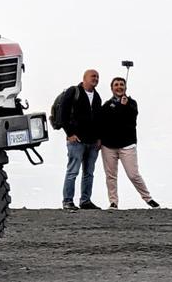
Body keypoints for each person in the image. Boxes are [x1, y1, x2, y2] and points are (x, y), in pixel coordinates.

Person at [98, 77, 160, 209]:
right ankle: (113, 202)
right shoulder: (106, 105)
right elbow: (104, 123)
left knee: (133, 174)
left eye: (121, 85)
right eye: (116, 85)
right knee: (111, 176)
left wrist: (123, 106)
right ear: (112, 88)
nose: (119, 87)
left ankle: (148, 199)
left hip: (127, 145)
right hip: (108, 146)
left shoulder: (132, 103)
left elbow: (131, 118)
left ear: (125, 88)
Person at [61, 69, 102, 210]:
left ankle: (85, 201)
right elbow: (63, 114)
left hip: (92, 142)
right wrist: (69, 133)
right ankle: (67, 201)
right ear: (84, 78)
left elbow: (98, 120)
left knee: (89, 173)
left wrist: (99, 138)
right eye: (93, 76)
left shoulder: (97, 97)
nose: (95, 78)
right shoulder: (73, 92)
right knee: (73, 171)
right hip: (76, 140)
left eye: (97, 77)